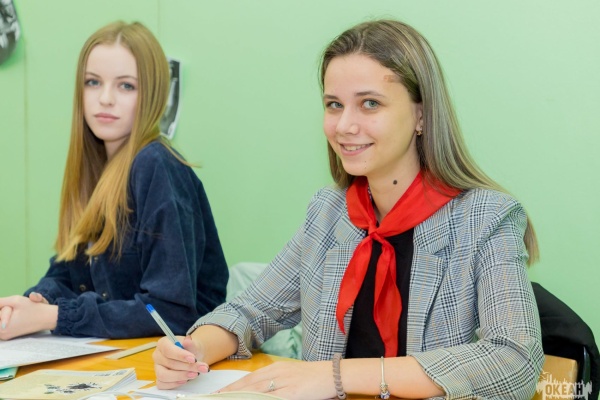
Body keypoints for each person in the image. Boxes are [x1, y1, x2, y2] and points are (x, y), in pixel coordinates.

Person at [152, 19, 544, 399]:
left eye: (370, 104)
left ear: (421, 115)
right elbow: (250, 310)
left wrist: (335, 376)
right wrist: (195, 348)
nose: (344, 125)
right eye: (334, 105)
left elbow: (515, 361)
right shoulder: (328, 212)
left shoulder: (487, 218)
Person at [0, 21, 228, 340]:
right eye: (93, 82)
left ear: (152, 94)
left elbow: (171, 312)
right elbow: (69, 271)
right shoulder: (97, 166)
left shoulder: (156, 165)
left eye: (126, 86)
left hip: (181, 360)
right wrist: (33, 302)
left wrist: (54, 315)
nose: (105, 98)